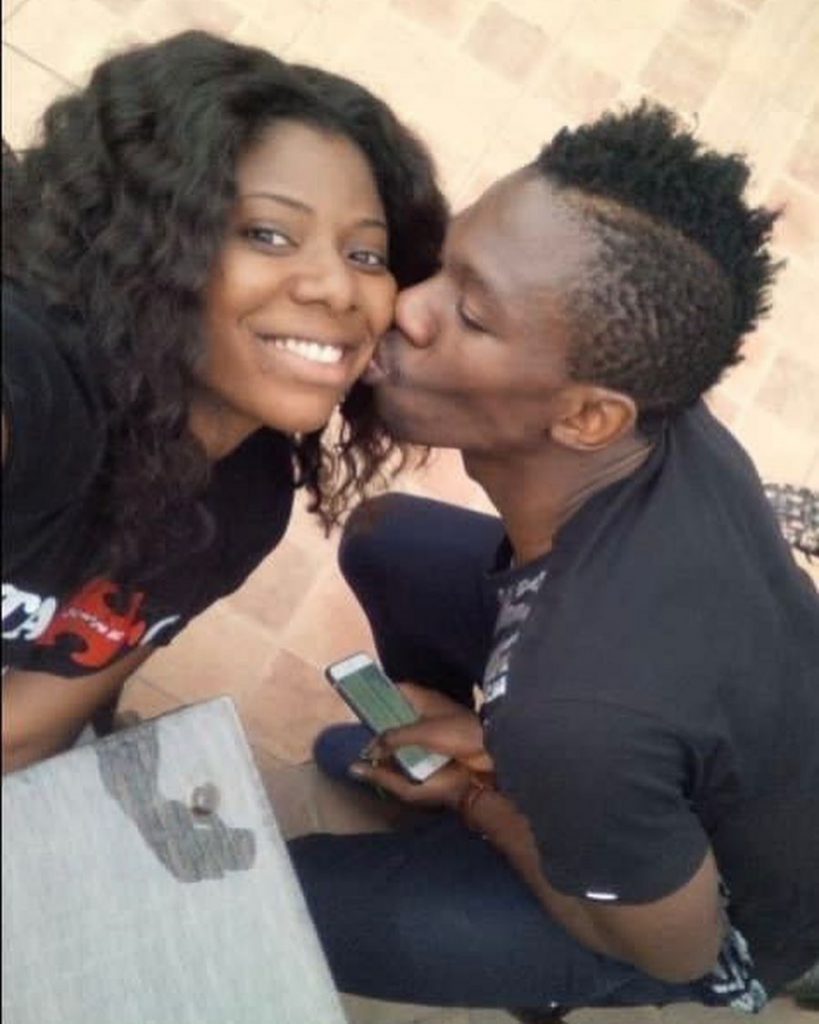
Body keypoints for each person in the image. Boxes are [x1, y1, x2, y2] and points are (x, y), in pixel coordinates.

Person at [289, 103, 819, 1017]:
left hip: (711, 916)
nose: (407, 307)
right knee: (388, 541)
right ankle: (530, 804)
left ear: (586, 417)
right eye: (444, 265)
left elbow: (681, 945)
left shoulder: (574, 707)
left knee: (294, 899)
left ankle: (528, 886)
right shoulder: (658, 420)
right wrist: (504, 747)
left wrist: (480, 799)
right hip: (683, 751)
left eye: (469, 313)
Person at [1, 31, 447, 773]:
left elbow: (23, 729)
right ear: (149, 242)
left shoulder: (245, 500)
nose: (338, 288)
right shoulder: (32, 385)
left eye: (365, 254)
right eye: (268, 235)